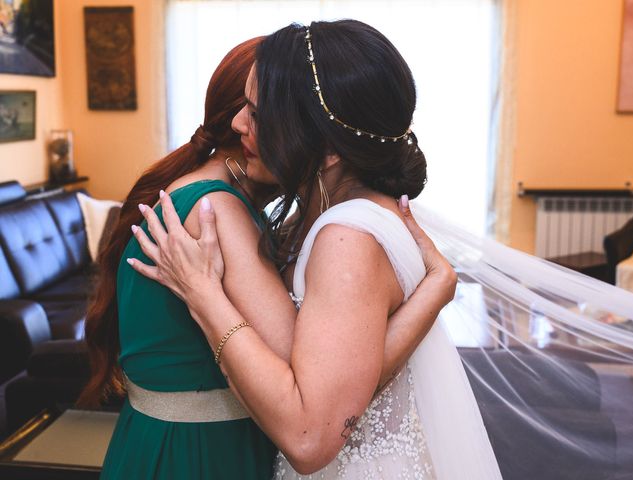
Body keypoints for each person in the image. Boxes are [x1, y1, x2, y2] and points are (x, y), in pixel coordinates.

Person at [129, 20, 501, 479]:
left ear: (327, 149)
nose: (237, 122)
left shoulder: (346, 240)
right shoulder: (347, 214)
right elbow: (341, 381)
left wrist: (204, 295)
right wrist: (435, 290)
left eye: (257, 113)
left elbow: (310, 435)